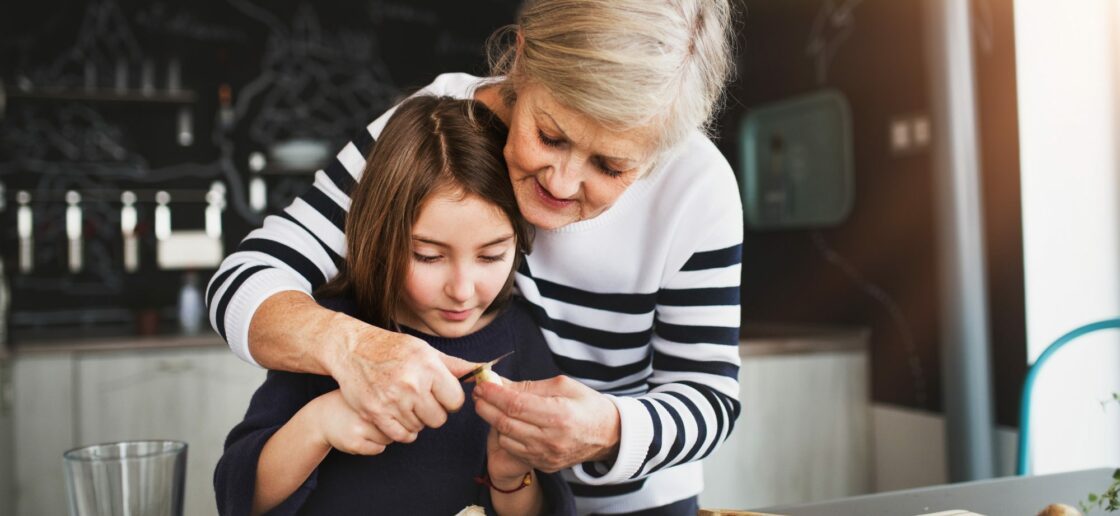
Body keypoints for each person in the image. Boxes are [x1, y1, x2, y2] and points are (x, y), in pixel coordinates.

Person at [208, 0, 742, 513]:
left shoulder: (697, 187)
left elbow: (710, 397)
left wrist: (608, 430)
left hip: (634, 502)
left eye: (610, 165)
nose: (561, 182)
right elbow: (245, 279)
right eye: (550, 136)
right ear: (521, 61)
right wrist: (349, 347)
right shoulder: (437, 127)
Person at [213, 96, 574, 516]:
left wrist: (511, 478)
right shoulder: (334, 333)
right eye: (428, 256)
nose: (462, 289)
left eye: (491, 256)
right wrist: (319, 425)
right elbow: (238, 498)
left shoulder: (521, 339)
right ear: (383, 238)